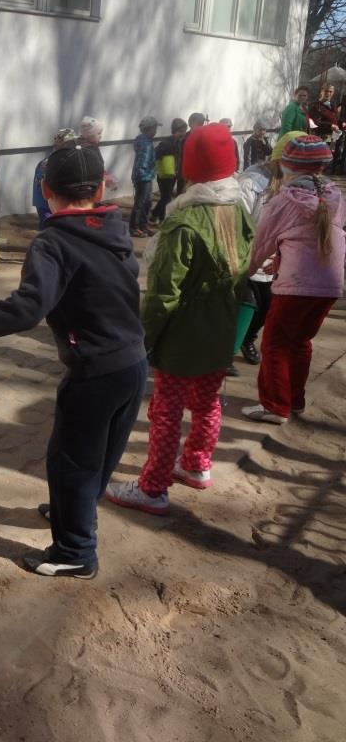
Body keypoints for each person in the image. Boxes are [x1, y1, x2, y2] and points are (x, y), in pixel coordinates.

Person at [0, 144, 146, 579]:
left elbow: (28, 307)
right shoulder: (113, 228)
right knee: (101, 454)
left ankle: (75, 552)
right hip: (133, 362)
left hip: (94, 371)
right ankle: (78, 511)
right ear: (101, 189)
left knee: (70, 461)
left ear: (45, 190)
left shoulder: (54, 242)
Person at [105, 124, 253, 515]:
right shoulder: (240, 211)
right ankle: (197, 465)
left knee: (166, 411)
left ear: (189, 167)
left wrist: (144, 338)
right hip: (221, 333)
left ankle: (153, 487)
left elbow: (163, 293)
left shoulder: (182, 222)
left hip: (181, 340)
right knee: (207, 404)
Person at [242, 136, 345, 424]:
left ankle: (275, 406)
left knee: (274, 344)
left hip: (296, 286)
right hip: (329, 285)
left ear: (287, 166)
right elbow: (327, 238)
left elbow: (261, 245)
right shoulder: (335, 196)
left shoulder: (284, 201)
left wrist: (244, 274)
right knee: (300, 342)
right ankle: (294, 400)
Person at [237, 130, 304, 365]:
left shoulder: (296, 188)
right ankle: (228, 347)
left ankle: (247, 338)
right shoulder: (251, 184)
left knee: (266, 307)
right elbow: (239, 222)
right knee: (245, 305)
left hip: (270, 262)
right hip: (245, 257)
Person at [32, 128, 78, 229]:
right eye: (72, 143)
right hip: (47, 204)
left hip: (49, 202)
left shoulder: (59, 159)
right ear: (64, 145)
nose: (74, 146)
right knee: (50, 227)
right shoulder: (50, 162)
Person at [151, 118, 187, 221]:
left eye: (184, 131)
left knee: (165, 197)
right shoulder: (166, 143)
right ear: (174, 131)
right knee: (166, 198)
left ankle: (154, 215)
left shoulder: (178, 142)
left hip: (172, 174)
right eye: (181, 131)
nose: (183, 134)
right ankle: (161, 219)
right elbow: (155, 155)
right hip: (164, 175)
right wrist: (163, 163)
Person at [130, 116, 159, 237]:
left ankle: (143, 225)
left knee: (147, 202)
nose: (156, 131)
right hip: (143, 177)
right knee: (140, 203)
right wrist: (141, 177)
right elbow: (143, 161)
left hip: (147, 176)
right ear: (149, 129)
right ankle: (134, 227)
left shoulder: (146, 141)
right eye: (155, 128)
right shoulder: (145, 143)